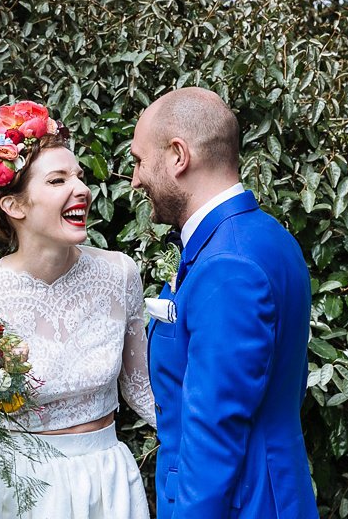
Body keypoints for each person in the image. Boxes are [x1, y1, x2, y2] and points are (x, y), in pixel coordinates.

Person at [0, 100, 155, 519]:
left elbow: (141, 390)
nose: (81, 189)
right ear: (15, 206)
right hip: (15, 489)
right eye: (58, 180)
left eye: (78, 177)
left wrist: (216, 438)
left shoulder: (120, 273)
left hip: (105, 482)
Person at [130, 87, 319, 519]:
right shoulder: (266, 235)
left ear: (179, 156)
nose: (136, 179)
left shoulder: (228, 264)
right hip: (274, 489)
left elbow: (215, 429)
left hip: (240, 503)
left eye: (140, 160)